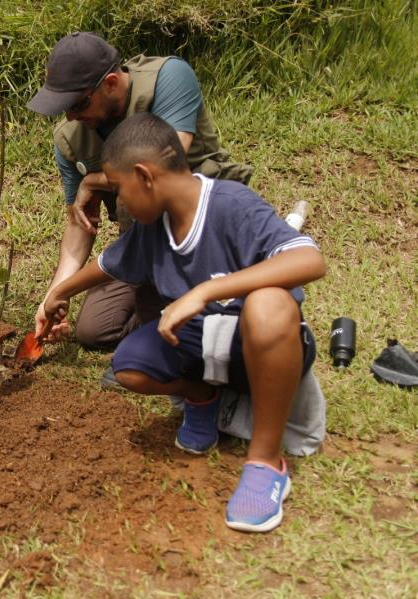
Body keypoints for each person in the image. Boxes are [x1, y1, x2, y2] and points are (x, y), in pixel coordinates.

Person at [42, 114, 326, 532]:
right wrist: (59, 293)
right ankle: (203, 401)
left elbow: (309, 260)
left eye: (121, 190)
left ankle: (266, 464)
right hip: (203, 349)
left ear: (144, 176)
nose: (122, 203)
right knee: (130, 363)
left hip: (261, 346)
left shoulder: (232, 204)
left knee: (268, 304)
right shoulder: (152, 226)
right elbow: (109, 265)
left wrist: (204, 291)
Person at [27, 32, 253, 375]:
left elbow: (163, 168)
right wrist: (55, 294)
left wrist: (94, 179)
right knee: (94, 329)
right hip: (144, 238)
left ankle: (183, 319)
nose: (71, 117)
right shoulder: (70, 140)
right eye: (64, 108)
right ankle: (166, 310)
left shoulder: (168, 78)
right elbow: (79, 222)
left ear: (112, 83)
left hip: (208, 225)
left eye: (78, 104)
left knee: (197, 306)